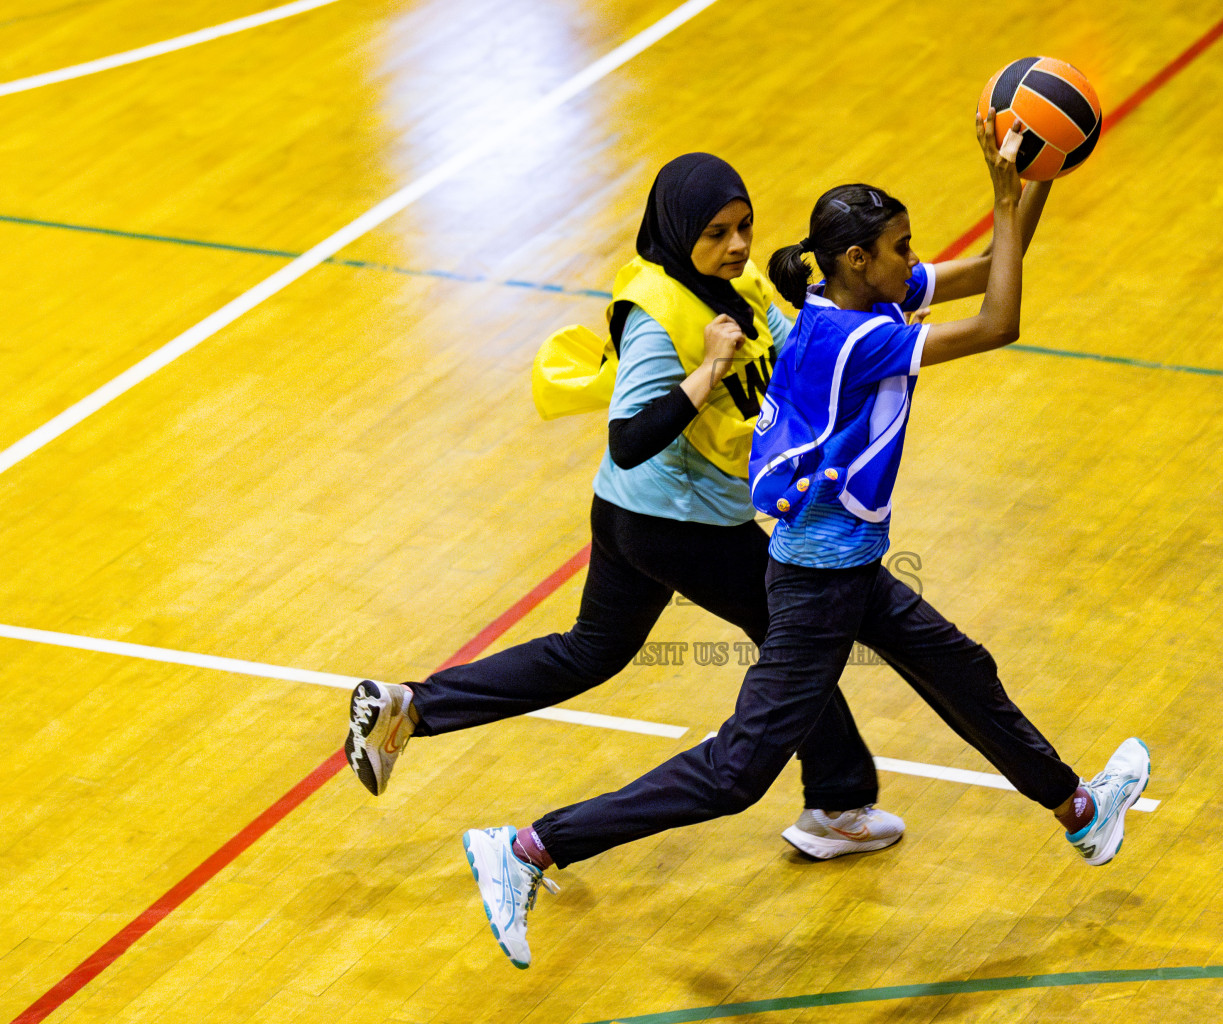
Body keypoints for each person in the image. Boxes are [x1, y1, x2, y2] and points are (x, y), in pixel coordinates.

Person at [460, 114, 1151, 970]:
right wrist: (1006, 200)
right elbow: (1002, 319)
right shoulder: (855, 340)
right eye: (903, 248)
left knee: (962, 670)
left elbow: (989, 271)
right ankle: (527, 848)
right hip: (819, 587)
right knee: (734, 773)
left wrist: (1033, 174)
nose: (914, 260)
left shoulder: (852, 298)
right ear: (860, 261)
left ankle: (1081, 814)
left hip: (852, 569)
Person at [344, 153, 906, 867]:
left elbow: (795, 350)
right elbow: (630, 436)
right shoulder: (657, 312)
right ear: (677, 232)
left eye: (743, 227)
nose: (736, 245)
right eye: (716, 233)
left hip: (634, 515)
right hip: (678, 520)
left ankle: (408, 709)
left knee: (591, 651)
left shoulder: (738, 283)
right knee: (797, 639)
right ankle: (838, 801)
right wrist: (707, 370)